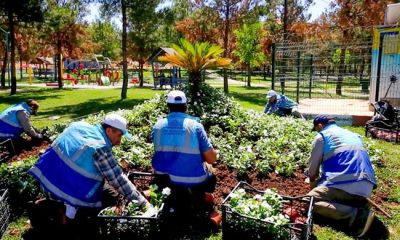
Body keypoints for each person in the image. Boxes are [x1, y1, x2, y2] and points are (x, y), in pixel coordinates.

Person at [28, 113, 150, 238]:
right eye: (119, 135)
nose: (119, 141)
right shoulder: (99, 147)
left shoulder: (79, 126)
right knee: (98, 205)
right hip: (64, 190)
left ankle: (52, 207)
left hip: (46, 180)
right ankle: (63, 217)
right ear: (109, 130)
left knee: (108, 192)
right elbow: (118, 180)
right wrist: (144, 204)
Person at [151, 90, 220, 228]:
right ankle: (202, 201)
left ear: (168, 106)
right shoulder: (195, 126)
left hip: (164, 179)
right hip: (193, 181)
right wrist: (213, 154)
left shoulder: (157, 126)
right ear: (186, 106)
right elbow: (211, 159)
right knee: (211, 174)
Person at [306, 115, 377, 237]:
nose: (317, 131)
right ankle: (359, 203)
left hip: (345, 182)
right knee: (333, 190)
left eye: (317, 129)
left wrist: (312, 187)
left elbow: (312, 173)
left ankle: (356, 217)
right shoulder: (351, 134)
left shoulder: (322, 136)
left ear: (320, 126)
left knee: (306, 202)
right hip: (367, 185)